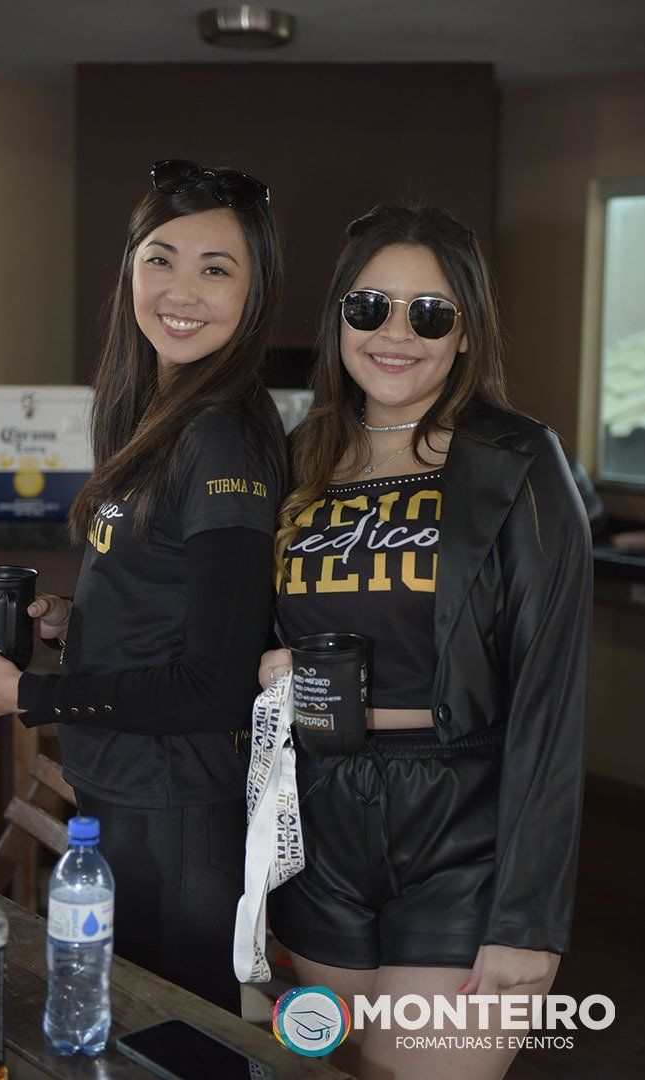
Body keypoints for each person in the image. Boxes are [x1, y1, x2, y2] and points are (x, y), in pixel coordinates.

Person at [0, 159, 287, 1015]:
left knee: (172, 1039)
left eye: (216, 269)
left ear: (254, 292)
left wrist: (25, 694)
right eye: (160, 259)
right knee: (126, 1028)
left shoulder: (221, 435)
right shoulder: (161, 413)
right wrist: (74, 622)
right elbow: (176, 599)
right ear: (131, 265)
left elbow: (214, 685)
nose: (181, 290)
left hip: (177, 809)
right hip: (125, 789)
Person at [258, 203, 592, 1078]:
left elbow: (552, 698)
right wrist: (262, 664)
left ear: (466, 332)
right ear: (339, 319)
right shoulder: (293, 458)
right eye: (369, 307)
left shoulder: (517, 460)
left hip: (463, 825)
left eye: (430, 313)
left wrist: (527, 917)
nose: (395, 334)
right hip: (318, 825)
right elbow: (229, 622)